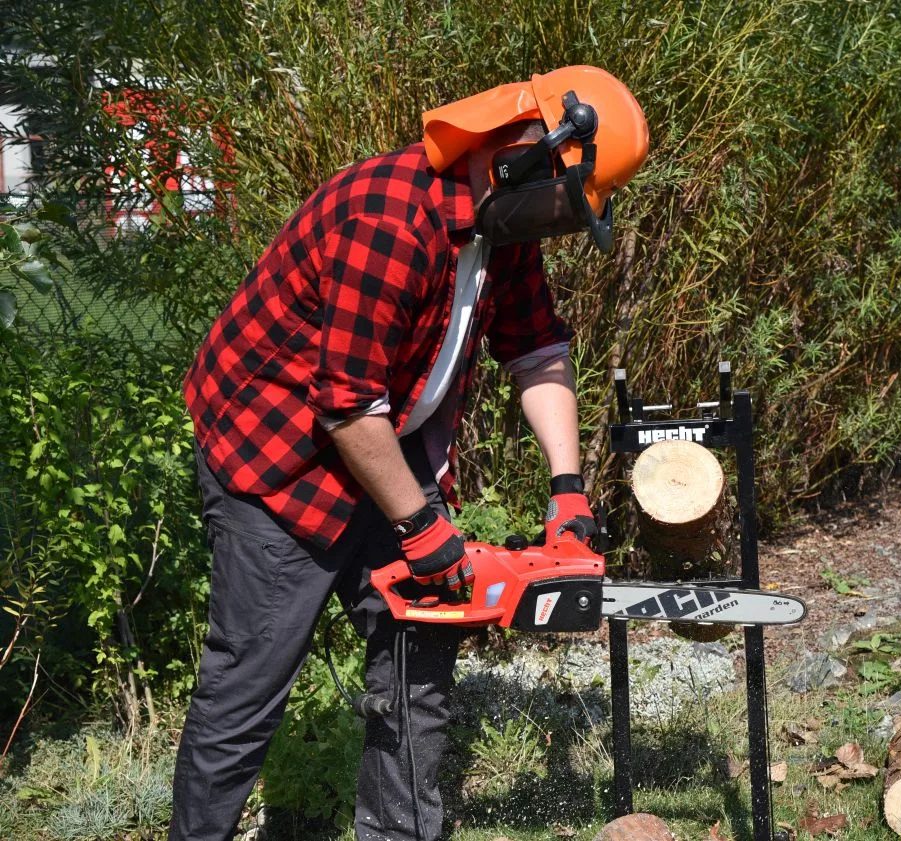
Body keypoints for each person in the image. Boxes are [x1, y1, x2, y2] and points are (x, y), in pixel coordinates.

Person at [171, 65, 649, 841]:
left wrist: (569, 490)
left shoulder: (503, 226)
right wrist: (425, 526)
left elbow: (537, 348)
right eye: (566, 206)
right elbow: (346, 404)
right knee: (248, 683)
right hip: (277, 457)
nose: (561, 226)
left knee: (420, 646)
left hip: (378, 444)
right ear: (524, 154)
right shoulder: (389, 217)